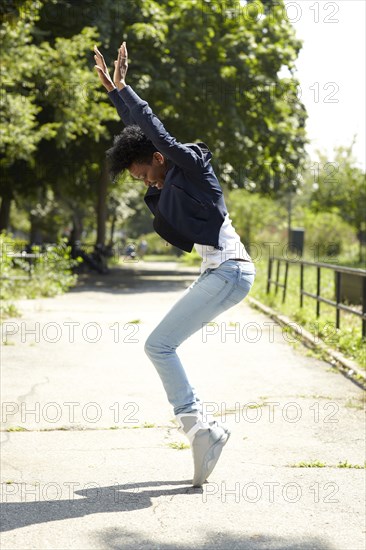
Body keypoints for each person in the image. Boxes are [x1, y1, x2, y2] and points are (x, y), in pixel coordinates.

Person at [94, 41, 256, 487]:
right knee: (161, 345)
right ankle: (206, 431)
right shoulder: (162, 177)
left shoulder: (192, 164)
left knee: (158, 345)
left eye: (143, 173)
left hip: (231, 269)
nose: (143, 182)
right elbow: (142, 140)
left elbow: (155, 131)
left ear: (160, 160)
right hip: (219, 273)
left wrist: (124, 91)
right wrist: (115, 99)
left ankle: (199, 426)